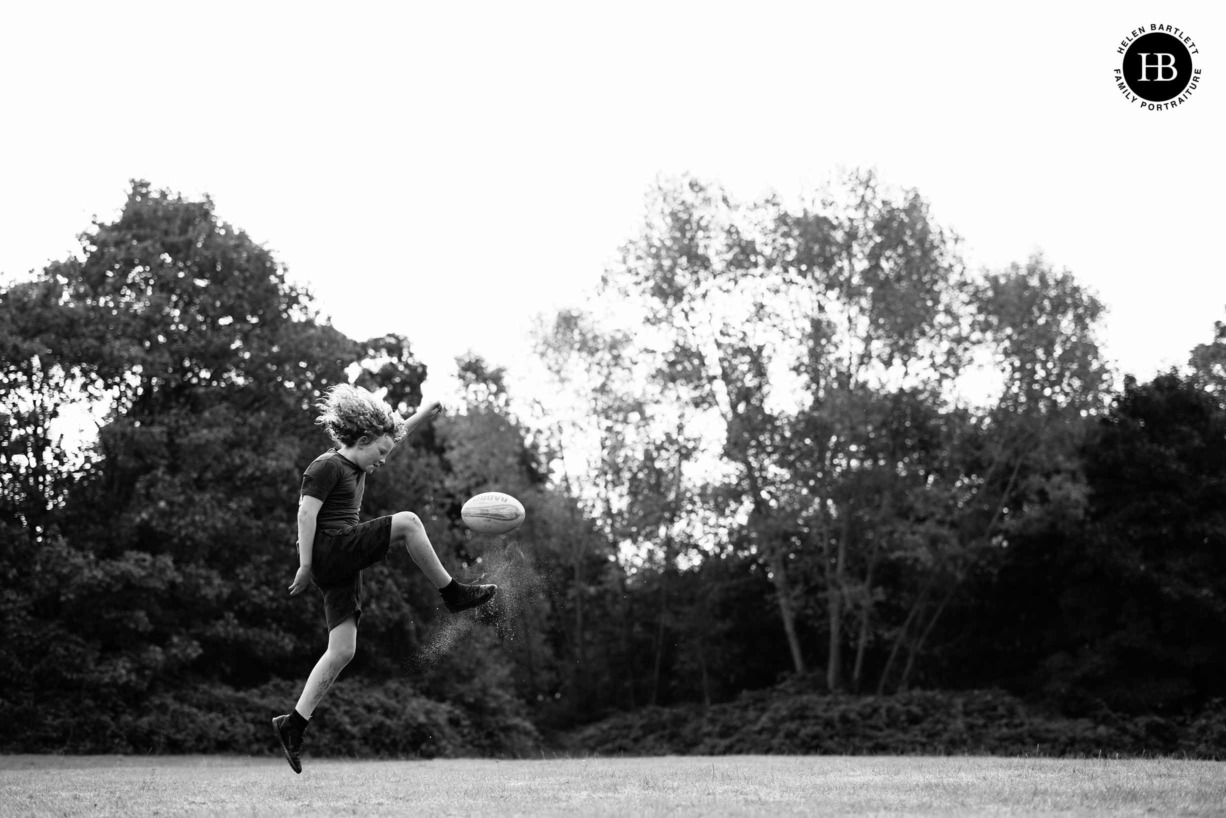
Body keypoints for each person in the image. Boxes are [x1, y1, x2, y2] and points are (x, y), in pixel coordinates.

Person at [272, 384, 496, 774]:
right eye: (380, 453)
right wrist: (306, 565)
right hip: (329, 548)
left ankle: (293, 724)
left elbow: (395, 434)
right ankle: (452, 592)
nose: (384, 461)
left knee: (343, 649)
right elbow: (305, 515)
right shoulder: (327, 466)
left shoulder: (361, 458)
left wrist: (425, 411)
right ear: (361, 440)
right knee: (408, 522)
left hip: (341, 561)